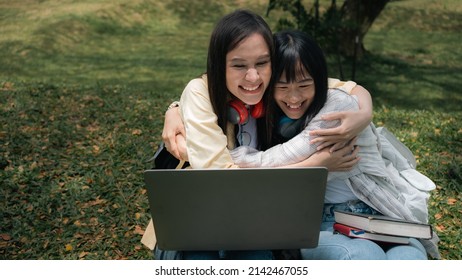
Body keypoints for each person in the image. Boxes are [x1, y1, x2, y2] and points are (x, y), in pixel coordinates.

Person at [149, 10, 373, 260]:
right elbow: (225, 183)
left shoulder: (272, 86)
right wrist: (315, 165)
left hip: (252, 223)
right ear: (218, 65)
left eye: (262, 63)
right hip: (196, 221)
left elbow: (334, 84)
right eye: (238, 65)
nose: (253, 77)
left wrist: (365, 111)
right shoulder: (201, 93)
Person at [228, 30, 440, 259]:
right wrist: (320, 164)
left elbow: (277, 159)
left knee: (409, 262)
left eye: (304, 85)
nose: (294, 97)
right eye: (282, 87)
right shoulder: (272, 121)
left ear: (318, 81)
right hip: (328, 221)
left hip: (383, 214)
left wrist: (231, 156)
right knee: (364, 257)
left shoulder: (337, 104)